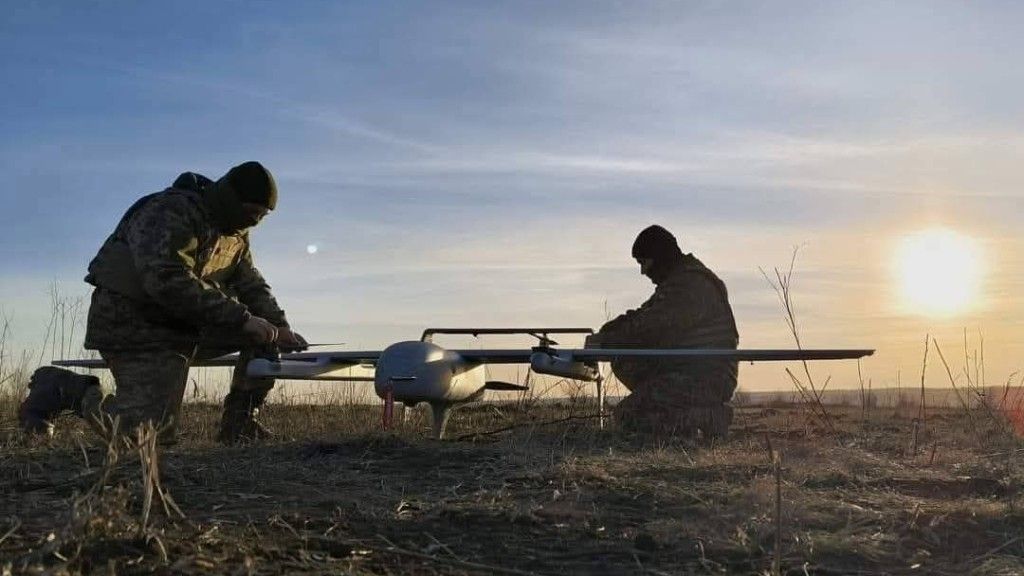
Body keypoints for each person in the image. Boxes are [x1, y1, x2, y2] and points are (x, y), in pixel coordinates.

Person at [18, 161, 307, 443]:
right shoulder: (168, 212)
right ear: (232, 201)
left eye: (261, 216)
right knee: (145, 436)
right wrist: (242, 319)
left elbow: (250, 284)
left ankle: (240, 425)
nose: (253, 222)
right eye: (250, 213)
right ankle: (63, 389)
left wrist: (279, 327)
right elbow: (167, 280)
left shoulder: (234, 233)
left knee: (265, 337)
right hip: (133, 325)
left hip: (185, 325)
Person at [586, 225, 739, 438]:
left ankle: (707, 418)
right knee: (626, 362)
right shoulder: (680, 281)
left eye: (644, 262)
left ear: (658, 256)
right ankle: (698, 416)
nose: (643, 271)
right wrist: (610, 330)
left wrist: (608, 342)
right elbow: (644, 315)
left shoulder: (691, 285)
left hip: (705, 377)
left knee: (630, 417)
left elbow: (654, 328)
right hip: (689, 371)